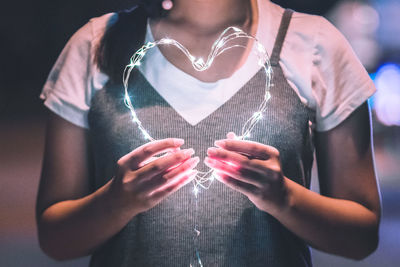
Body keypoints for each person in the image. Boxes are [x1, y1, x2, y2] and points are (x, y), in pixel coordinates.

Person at [36, 0, 381, 266]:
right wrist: (115, 203)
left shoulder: (315, 45)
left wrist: (285, 199)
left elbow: (362, 237)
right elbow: (54, 239)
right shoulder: (93, 46)